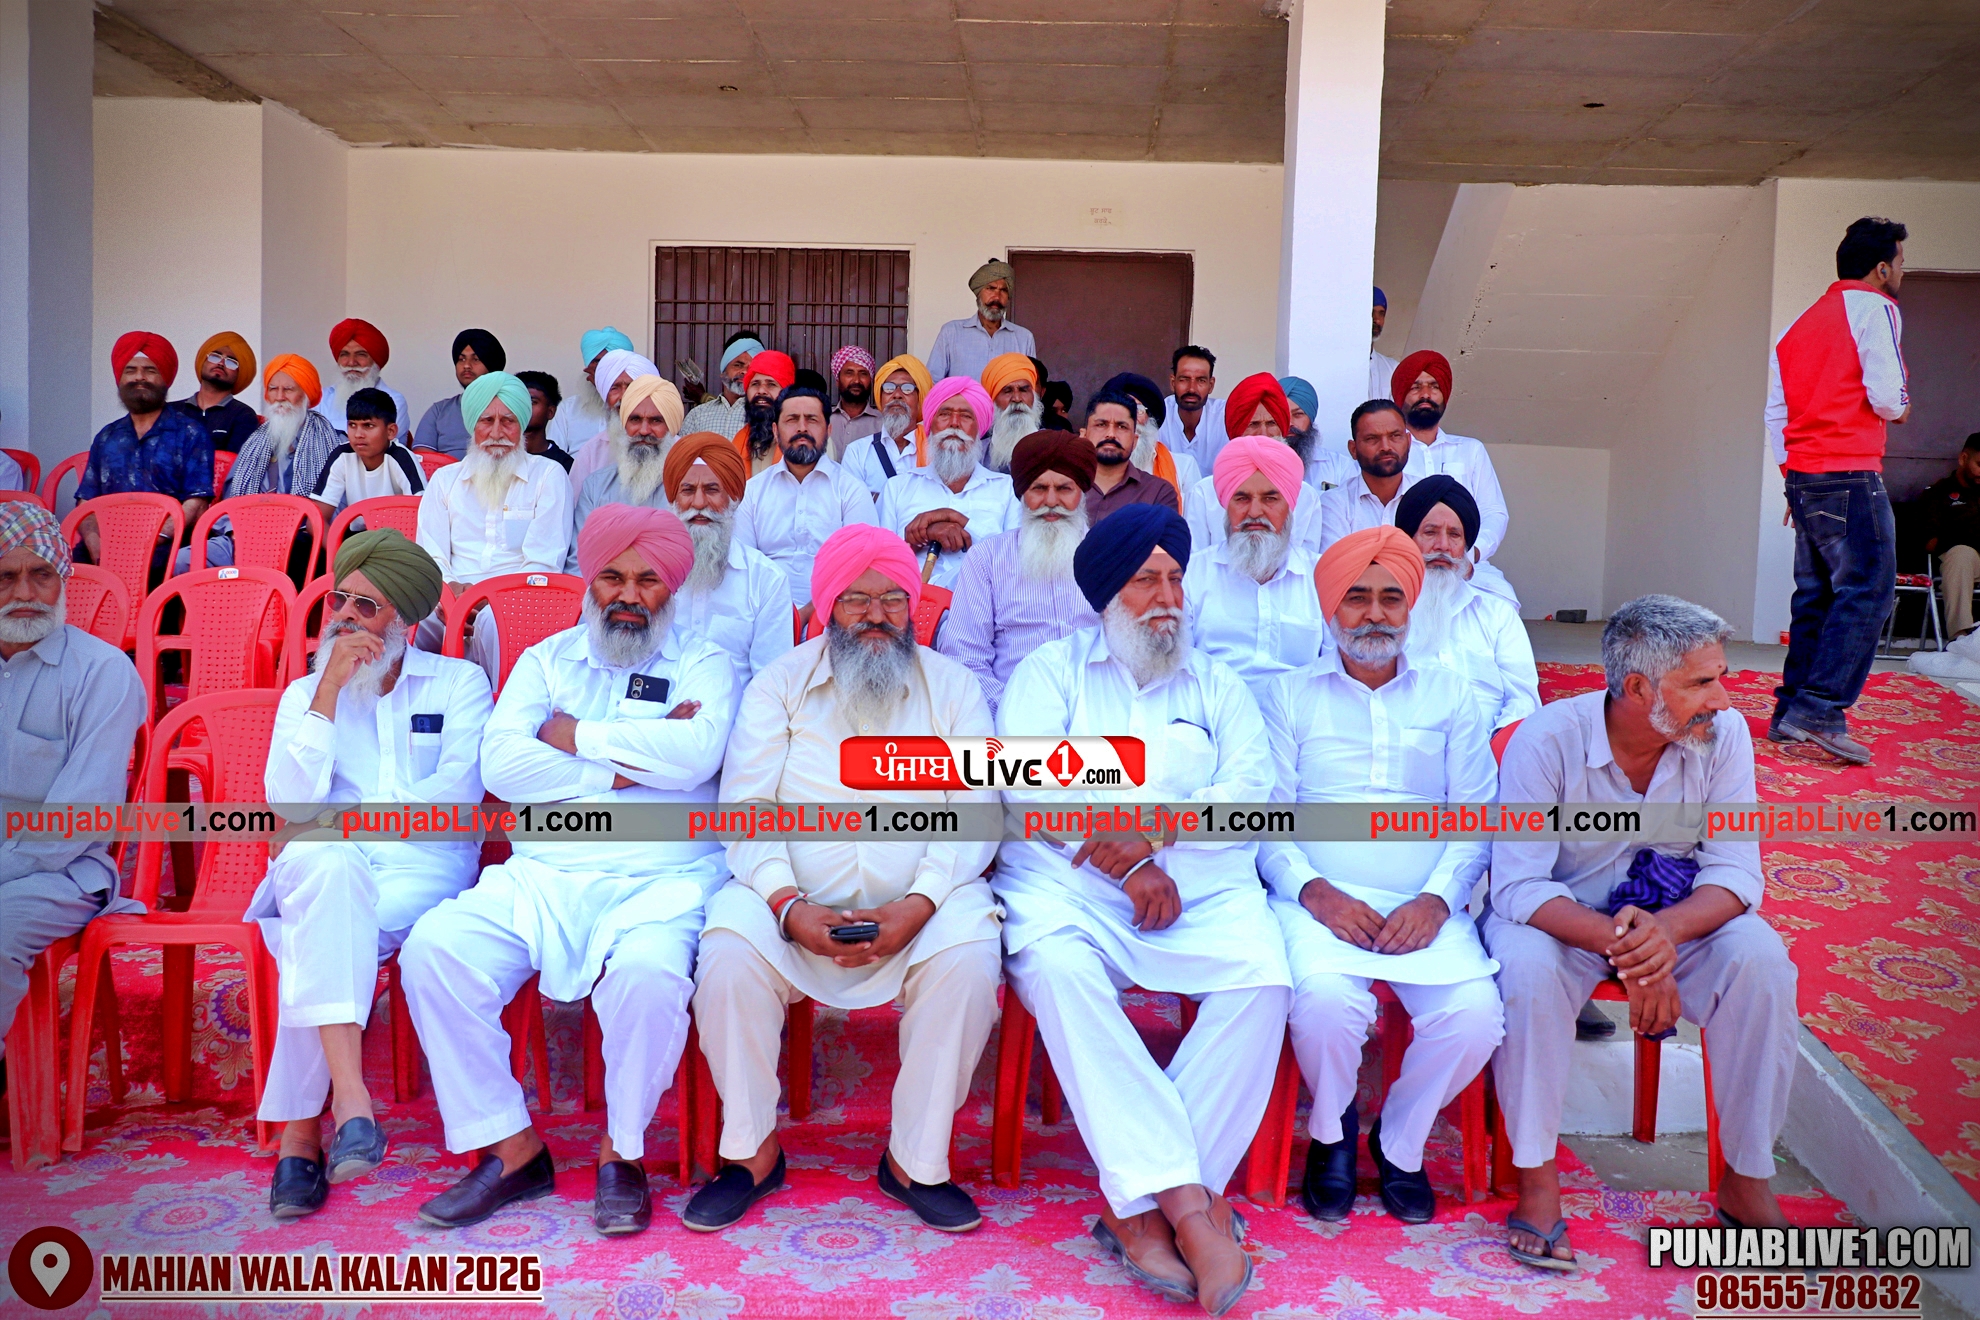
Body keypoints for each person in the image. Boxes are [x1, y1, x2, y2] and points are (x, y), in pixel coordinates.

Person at [403, 506, 736, 1236]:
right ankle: (513, 1148)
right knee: (434, 952)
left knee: (647, 978)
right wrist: (628, 766)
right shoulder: (546, 660)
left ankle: (624, 1152)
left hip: (662, 880)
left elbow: (695, 757)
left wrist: (569, 735)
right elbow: (503, 766)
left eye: (647, 580)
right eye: (613, 576)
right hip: (543, 872)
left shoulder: (705, 663)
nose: (628, 594)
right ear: (590, 581)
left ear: (671, 589)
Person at [993, 504, 1284, 1316]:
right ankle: (1192, 1210)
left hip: (1202, 890)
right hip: (1071, 891)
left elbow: (1251, 792)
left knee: (1264, 981)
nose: (1166, 598)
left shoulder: (1218, 683)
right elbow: (1028, 785)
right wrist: (1130, 861)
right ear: (1106, 596)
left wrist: (1156, 835)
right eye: (1145, 581)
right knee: (1058, 970)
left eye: (1175, 580)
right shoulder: (1049, 673)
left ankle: (1138, 1209)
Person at [685, 524, 1001, 1234]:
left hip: (920, 906)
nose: (876, 616)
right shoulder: (780, 684)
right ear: (828, 607)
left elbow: (977, 814)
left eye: (893, 599)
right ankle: (752, 1155)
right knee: (729, 953)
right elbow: (745, 809)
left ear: (912, 606)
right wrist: (786, 904)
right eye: (857, 599)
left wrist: (919, 904)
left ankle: (916, 1162)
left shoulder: (952, 688)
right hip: (792, 904)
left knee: (970, 956)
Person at [1489, 595, 1798, 1268]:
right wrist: (1628, 948)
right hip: (1567, 924)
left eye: (1720, 677)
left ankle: (1746, 1180)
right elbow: (1518, 885)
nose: (1722, 699)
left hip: (1677, 921)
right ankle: (1536, 1178)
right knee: (1525, 967)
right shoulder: (1547, 741)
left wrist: (1662, 937)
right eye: (1702, 682)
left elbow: (1736, 871)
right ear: (1637, 689)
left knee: (1762, 961)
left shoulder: (1724, 736)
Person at [1261, 526, 1502, 1226]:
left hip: (1425, 907)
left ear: (1410, 607)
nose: (1374, 614)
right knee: (1323, 1006)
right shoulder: (1287, 695)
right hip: (1317, 903)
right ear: (1330, 608)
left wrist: (1438, 900)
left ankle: (1399, 1141)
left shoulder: (1453, 695)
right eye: (1357, 598)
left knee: (1476, 1019)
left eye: (1391, 599)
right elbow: (1265, 817)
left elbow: (1477, 817)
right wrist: (1315, 893)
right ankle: (1332, 1134)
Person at [252, 530, 489, 1218]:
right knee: (330, 877)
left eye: (367, 606)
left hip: (422, 866)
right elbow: (289, 803)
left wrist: (339, 822)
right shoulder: (306, 692)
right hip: (326, 863)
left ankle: (300, 1135)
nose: (346, 618)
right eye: (339, 600)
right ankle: (351, 1102)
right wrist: (328, 690)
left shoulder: (459, 684)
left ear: (405, 621)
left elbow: (455, 800)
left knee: (325, 923)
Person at [0, 504, 146, 1078]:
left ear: (63, 580)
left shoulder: (102, 672)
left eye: (41, 574)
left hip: (62, 874)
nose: (25, 593)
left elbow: (76, 822)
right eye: (6, 577)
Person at [1766, 217, 1911, 764]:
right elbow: (1887, 396)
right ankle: (1820, 710)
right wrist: (1902, 407)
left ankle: (1790, 711)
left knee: (1816, 597)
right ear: (1881, 268)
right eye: (1900, 263)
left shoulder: (1799, 324)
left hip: (1804, 475)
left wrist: (1792, 478)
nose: (1902, 273)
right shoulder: (1876, 308)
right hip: (1851, 471)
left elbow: (1775, 413)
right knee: (1868, 592)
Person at [414, 371, 574, 681]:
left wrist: (486, 598)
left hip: (517, 600)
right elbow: (430, 556)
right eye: (486, 421)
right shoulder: (445, 481)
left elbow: (544, 563)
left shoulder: (548, 475)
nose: (497, 432)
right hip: (448, 598)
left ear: (522, 425)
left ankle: (500, 702)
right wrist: (449, 594)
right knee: (400, 618)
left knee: (492, 623)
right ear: (472, 426)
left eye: (508, 421)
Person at [939, 431, 1099, 716]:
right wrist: (1014, 714)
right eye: (1039, 488)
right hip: (1009, 716)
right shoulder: (988, 558)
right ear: (1023, 494)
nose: (1051, 501)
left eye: (1064, 489)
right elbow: (964, 657)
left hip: (1098, 713)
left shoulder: (1109, 556)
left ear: (1082, 493)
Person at [1183, 437, 1325, 702]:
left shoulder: (1321, 576)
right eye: (1242, 498)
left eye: (1270, 498)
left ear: (1290, 506)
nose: (1255, 512)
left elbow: (1333, 667)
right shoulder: (1192, 575)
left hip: (1302, 712)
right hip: (1211, 711)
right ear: (1226, 506)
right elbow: (1182, 668)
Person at [1390, 475, 1538, 729]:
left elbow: (1524, 701)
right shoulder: (1383, 615)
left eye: (1455, 535)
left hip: (1488, 747)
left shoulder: (1498, 615)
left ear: (1466, 546)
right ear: (1407, 540)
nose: (1443, 546)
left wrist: (1495, 743)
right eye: (1430, 532)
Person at [662, 431, 792, 693]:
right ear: (673, 500)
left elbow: (771, 685)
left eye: (712, 490)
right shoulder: (648, 573)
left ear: (734, 498)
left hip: (737, 713)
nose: (699, 503)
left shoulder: (767, 581)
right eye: (688, 490)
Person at [733, 384, 877, 619]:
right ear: (776, 431)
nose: (802, 428)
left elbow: (859, 567)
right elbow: (743, 566)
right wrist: (775, 618)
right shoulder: (753, 491)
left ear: (828, 430)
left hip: (835, 615)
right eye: (792, 419)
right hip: (763, 613)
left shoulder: (850, 490)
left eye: (812, 419)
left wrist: (805, 616)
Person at [76, 332, 214, 568]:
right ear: (120, 378)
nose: (139, 377)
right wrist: (93, 540)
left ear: (165, 379)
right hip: (108, 542)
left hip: (166, 545)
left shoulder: (191, 433)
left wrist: (151, 541)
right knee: (70, 571)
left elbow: (196, 502)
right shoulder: (107, 437)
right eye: (130, 370)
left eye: (150, 370)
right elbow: (86, 500)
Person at [1391, 351, 1518, 607]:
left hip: (1463, 563)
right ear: (1400, 395)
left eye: (1434, 386)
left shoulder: (1470, 450)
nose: (1426, 394)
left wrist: (1471, 554)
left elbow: (1494, 512)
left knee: (1502, 601)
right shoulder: (1389, 453)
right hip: (1403, 563)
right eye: (1415, 387)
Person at [877, 376, 1016, 592]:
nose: (954, 423)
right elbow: (877, 564)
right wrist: (921, 537)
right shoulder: (897, 488)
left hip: (983, 606)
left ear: (979, 429)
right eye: (944, 414)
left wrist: (955, 519)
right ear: (930, 426)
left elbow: (1014, 562)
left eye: (966, 416)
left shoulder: (1006, 489)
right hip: (912, 606)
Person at [1182, 375, 1321, 554]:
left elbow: (1306, 561)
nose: (1263, 433)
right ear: (1236, 430)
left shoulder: (1306, 495)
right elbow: (1195, 561)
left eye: (1271, 423)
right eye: (1253, 424)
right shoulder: (1203, 494)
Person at [571, 376, 684, 532]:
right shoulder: (596, 486)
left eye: (655, 421)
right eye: (635, 420)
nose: (644, 431)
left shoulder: (689, 487)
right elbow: (581, 546)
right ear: (623, 425)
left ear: (671, 428)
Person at [224, 353, 341, 501]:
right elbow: (232, 497)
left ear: (306, 395)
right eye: (273, 389)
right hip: (254, 514)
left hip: (308, 516)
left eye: (288, 389)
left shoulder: (334, 441)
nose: (280, 397)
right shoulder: (253, 443)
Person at [1911, 435, 1980, 678]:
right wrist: (1967, 528)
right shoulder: (1938, 493)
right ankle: (1961, 641)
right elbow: (1929, 542)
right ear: (1963, 458)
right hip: (1962, 557)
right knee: (1961, 554)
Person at [1319, 400, 1418, 552]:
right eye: (1372, 438)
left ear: (1409, 441)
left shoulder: (1429, 497)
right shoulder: (1335, 503)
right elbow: (1338, 564)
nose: (1385, 447)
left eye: (1395, 436)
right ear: (1353, 449)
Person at [310, 387, 425, 518]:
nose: (358, 434)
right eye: (352, 425)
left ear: (391, 431)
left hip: (397, 530)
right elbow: (317, 519)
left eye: (368, 426)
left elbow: (423, 514)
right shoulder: (341, 455)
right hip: (355, 531)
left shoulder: (402, 459)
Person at [927, 258, 1036, 382]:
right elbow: (933, 382)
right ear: (979, 293)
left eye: (1003, 290)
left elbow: (1031, 384)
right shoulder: (951, 332)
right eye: (991, 288)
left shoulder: (1024, 338)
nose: (997, 297)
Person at [569, 348, 663, 491]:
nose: (624, 397)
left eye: (632, 387)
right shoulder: (591, 452)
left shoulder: (678, 448)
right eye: (615, 388)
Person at [1103, 372, 1199, 510]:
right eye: (1120, 411)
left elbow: (1194, 520)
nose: (1128, 420)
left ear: (1151, 417)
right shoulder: (1094, 467)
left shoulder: (1184, 467)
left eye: (1137, 410)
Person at [843, 354, 933, 498]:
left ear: (920, 398)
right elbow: (851, 505)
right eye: (889, 388)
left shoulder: (937, 452)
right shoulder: (857, 452)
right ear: (881, 397)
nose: (897, 395)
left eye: (907, 388)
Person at [1084, 390, 1179, 526]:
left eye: (1122, 426)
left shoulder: (1158, 493)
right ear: (1084, 435)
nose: (1111, 434)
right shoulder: (1064, 485)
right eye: (1101, 425)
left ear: (1135, 441)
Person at [412, 329, 505, 460]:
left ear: (492, 366)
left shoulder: (509, 409)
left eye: (476, 359)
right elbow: (423, 460)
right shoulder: (439, 411)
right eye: (461, 359)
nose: (466, 365)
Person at [546, 327, 634, 457]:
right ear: (588, 367)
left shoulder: (642, 410)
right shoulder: (568, 409)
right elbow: (554, 459)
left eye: (612, 364)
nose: (605, 371)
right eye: (599, 363)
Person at [173, 331, 262, 453]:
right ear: (203, 361)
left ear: (239, 373)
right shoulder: (171, 410)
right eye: (215, 356)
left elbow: (235, 462)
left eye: (231, 362)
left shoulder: (243, 415)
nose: (221, 363)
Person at [316, 319, 409, 434]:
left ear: (375, 361)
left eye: (361, 355)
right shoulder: (322, 399)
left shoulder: (394, 401)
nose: (351, 362)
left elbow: (387, 444)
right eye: (344, 354)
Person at [1280, 374, 1354, 490]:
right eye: (1282, 415)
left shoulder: (1340, 466)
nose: (1289, 423)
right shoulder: (1256, 465)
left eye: (1298, 414)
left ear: (1311, 418)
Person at [681, 333, 762, 440]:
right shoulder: (697, 415)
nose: (745, 372)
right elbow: (683, 450)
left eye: (752, 367)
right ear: (723, 371)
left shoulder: (767, 414)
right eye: (738, 365)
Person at [731, 349, 797, 477]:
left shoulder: (808, 440)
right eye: (755, 384)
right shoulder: (739, 440)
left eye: (771, 384)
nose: (761, 391)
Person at [1161, 346, 1227, 469]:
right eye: (1184, 379)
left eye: (1201, 380)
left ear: (1211, 385)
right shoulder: (1158, 415)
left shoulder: (1226, 416)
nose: (1191, 388)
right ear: (1173, 382)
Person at [981, 352, 1044, 472]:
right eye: (1007, 391)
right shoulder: (977, 456)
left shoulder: (1054, 446)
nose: (1017, 398)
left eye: (1023, 390)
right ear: (992, 400)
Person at [827, 344, 881, 460]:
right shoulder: (824, 419)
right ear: (837, 380)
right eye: (849, 373)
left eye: (863, 374)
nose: (856, 380)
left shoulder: (883, 423)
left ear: (871, 380)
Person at [515, 370, 574, 472]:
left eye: (532, 402)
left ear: (551, 412)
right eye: (518, 401)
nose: (524, 407)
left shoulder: (565, 465)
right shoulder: (499, 456)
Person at [1369, 287, 1399, 402]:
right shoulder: (1342, 366)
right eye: (1371, 312)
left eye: (1381, 314)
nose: (1377, 320)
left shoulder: (1392, 368)